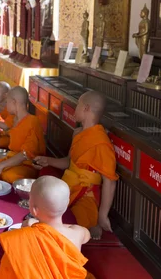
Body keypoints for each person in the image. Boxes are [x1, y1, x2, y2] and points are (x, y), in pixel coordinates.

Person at [34, 91, 118, 240]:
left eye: (78, 105)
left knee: (60, 224)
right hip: (68, 185)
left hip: (85, 196)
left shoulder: (101, 143)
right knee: (46, 174)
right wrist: (48, 160)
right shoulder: (78, 133)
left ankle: (90, 225)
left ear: (86, 109)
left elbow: (109, 182)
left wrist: (102, 216)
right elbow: (69, 162)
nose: (75, 109)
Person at [0, 176, 93, 279]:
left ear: (34, 210)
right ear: (67, 204)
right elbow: (87, 234)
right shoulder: (77, 233)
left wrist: (32, 225)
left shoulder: (23, 237)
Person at [0, 86, 45, 183]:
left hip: (28, 163)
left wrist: (2, 165)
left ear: (14, 102)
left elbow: (26, 154)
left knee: (8, 176)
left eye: (7, 102)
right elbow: (5, 126)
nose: (5, 106)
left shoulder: (32, 122)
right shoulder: (13, 117)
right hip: (11, 157)